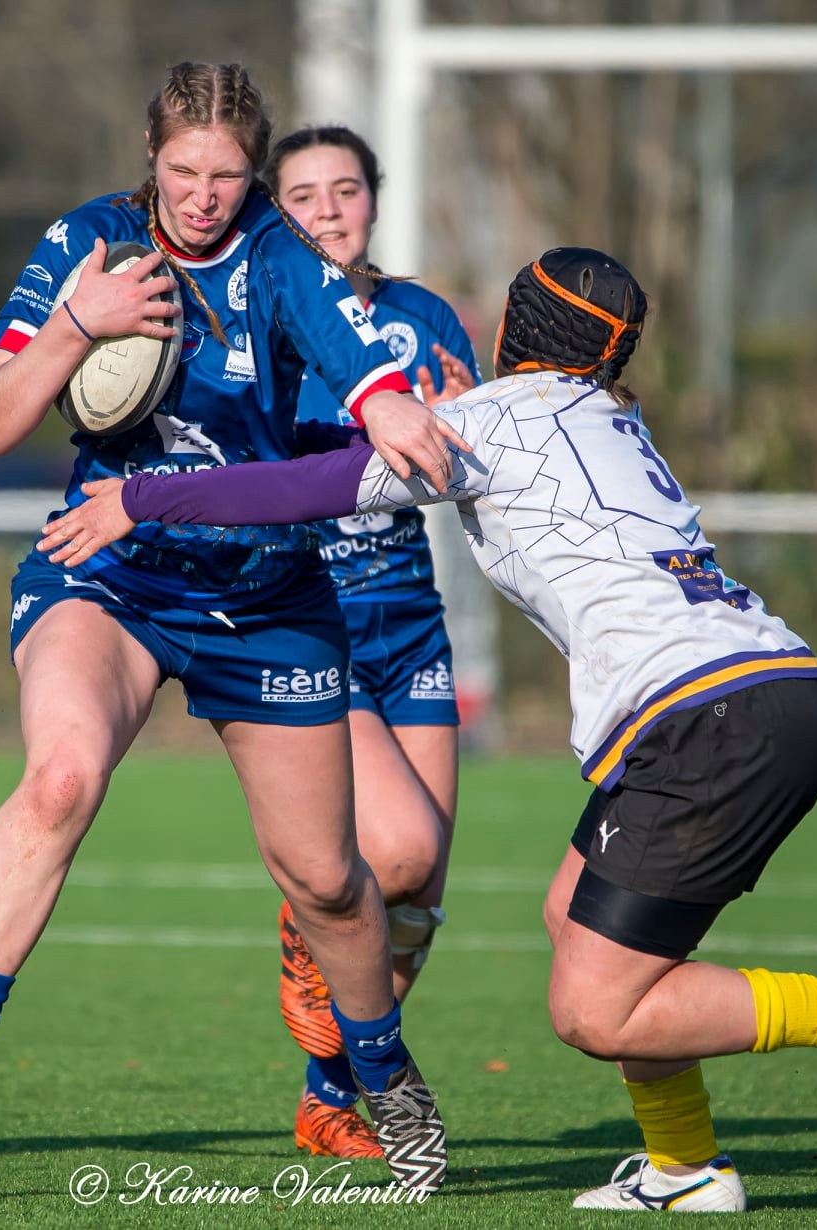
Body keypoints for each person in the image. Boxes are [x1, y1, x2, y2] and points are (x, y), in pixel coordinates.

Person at [38, 245, 817, 1212]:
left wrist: (142, 495)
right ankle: (687, 1169)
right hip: (764, 688)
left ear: (513, 327)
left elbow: (308, 490)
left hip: (712, 716)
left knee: (594, 1008)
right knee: (573, 918)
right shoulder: (605, 417)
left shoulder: (486, 423)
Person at [0, 62, 458, 1193]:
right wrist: (75, 326)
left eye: (229, 176)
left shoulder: (280, 257)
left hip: (265, 594)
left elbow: (360, 364)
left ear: (255, 174)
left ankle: (383, 1076)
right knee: (59, 778)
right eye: (184, 172)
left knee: (330, 881)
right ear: (150, 158)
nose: (204, 196)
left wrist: (388, 400)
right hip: (113, 565)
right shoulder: (88, 242)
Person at [258, 125, 477, 1160]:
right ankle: (309, 923)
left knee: (422, 900)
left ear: (372, 203)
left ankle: (326, 1097)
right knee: (394, 853)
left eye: (345, 191)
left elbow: (461, 456)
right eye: (302, 196)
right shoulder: (257, 318)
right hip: (307, 615)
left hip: (409, 616)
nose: (327, 210)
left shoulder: (424, 317)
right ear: (274, 212)